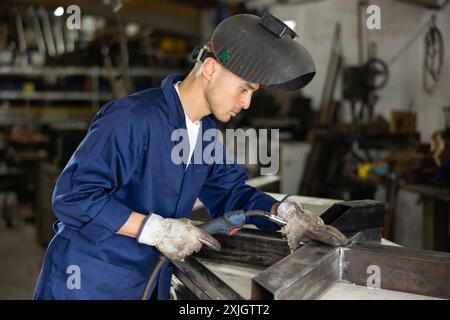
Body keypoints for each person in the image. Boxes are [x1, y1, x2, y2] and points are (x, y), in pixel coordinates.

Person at [34, 12, 346, 300]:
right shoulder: (132, 118)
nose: (247, 103)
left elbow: (230, 192)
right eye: (244, 89)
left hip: (147, 283)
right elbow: (74, 197)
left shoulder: (204, 133)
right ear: (210, 68)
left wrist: (286, 213)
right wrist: (156, 230)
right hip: (88, 284)